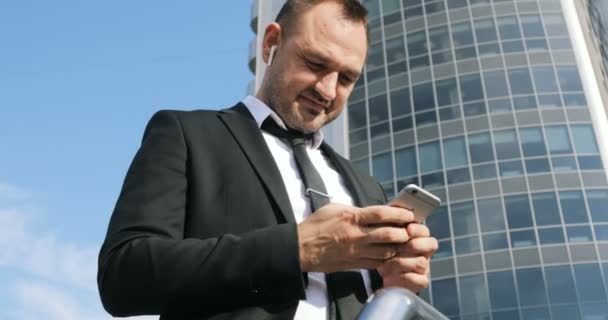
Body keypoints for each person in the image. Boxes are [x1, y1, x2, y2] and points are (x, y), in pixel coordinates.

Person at [97, 0, 438, 319]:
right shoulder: (186, 134)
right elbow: (123, 275)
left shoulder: (367, 187)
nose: (328, 91)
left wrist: (392, 289)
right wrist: (296, 249)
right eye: (316, 64)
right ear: (271, 42)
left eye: (347, 78)